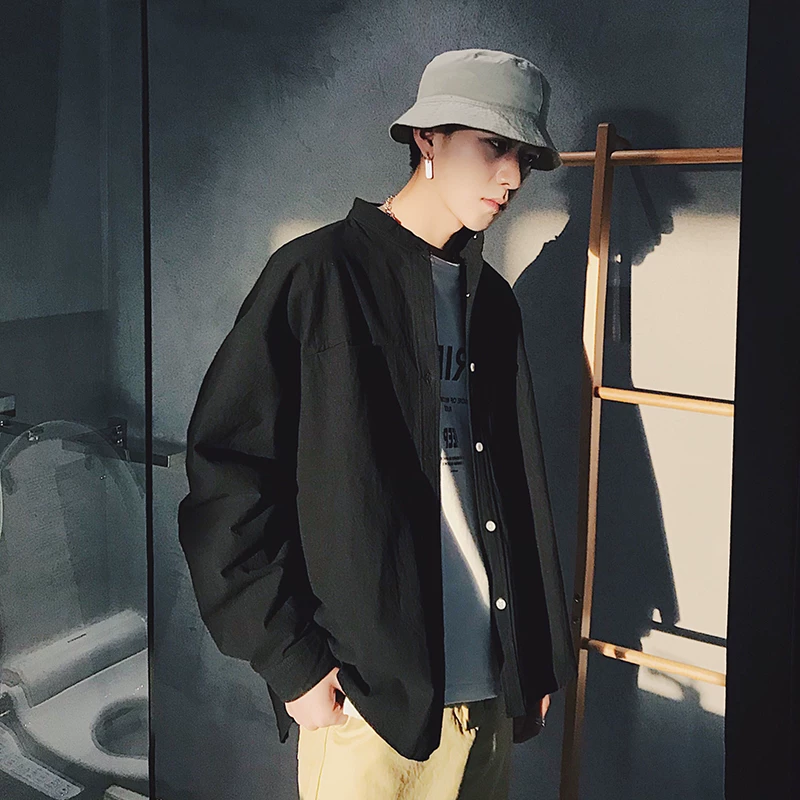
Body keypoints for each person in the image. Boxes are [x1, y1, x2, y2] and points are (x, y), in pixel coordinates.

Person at [177, 47, 577, 800]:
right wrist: (291, 660)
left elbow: (513, 491)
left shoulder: (493, 305)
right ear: (427, 139)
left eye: (525, 157)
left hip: (489, 692)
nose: (513, 177)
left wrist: (535, 654)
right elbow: (227, 478)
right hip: (369, 708)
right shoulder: (316, 276)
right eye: (494, 145)